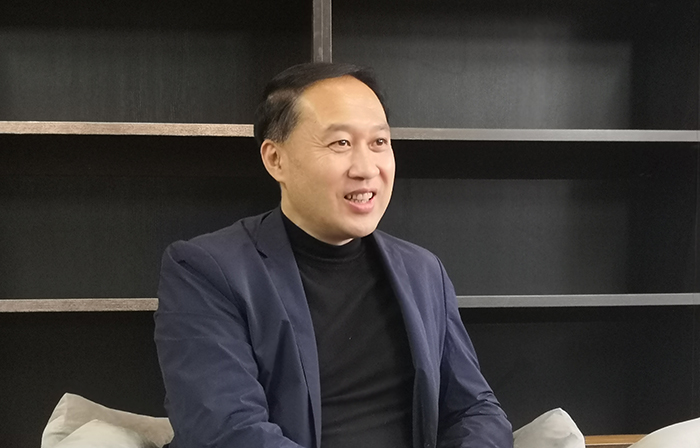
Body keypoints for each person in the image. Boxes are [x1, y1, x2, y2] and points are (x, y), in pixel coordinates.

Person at [154, 62, 513, 448]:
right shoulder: (206, 269)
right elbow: (227, 431)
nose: (366, 168)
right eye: (340, 143)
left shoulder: (423, 271)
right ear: (275, 159)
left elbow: (476, 409)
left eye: (379, 142)